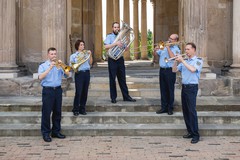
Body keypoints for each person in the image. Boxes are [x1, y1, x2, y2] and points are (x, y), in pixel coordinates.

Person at [38, 47, 70, 142]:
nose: (53, 56)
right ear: (48, 55)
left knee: (57, 112)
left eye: (55, 54)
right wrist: (50, 67)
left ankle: (56, 131)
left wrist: (63, 66)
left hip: (58, 90)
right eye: (52, 54)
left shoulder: (59, 65)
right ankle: (46, 133)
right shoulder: (43, 66)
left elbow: (68, 75)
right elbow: (40, 77)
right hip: (48, 91)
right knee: (46, 112)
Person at [175, 42, 203, 144]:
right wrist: (175, 61)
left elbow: (192, 69)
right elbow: (174, 70)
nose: (186, 51)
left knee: (192, 111)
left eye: (188, 49)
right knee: (185, 111)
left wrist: (182, 60)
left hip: (192, 88)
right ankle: (190, 131)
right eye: (185, 49)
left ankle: (196, 135)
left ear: (193, 50)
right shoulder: (184, 61)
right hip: (184, 87)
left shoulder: (198, 61)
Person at [104, 22, 136, 103]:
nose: (116, 28)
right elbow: (106, 46)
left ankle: (126, 97)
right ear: (112, 28)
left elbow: (125, 48)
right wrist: (115, 43)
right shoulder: (109, 36)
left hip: (120, 59)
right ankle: (113, 98)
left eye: (118, 27)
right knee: (112, 79)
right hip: (112, 59)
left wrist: (126, 48)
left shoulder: (122, 36)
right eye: (115, 27)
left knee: (122, 79)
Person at [154, 34, 180, 115]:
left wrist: (168, 47)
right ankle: (163, 107)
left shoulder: (176, 49)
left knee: (170, 89)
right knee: (163, 89)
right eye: (169, 38)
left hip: (170, 71)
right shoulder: (163, 46)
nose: (169, 40)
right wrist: (155, 50)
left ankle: (170, 108)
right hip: (162, 70)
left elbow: (173, 57)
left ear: (175, 40)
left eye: (171, 39)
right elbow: (156, 54)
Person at [70, 40, 93, 116]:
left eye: (83, 45)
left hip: (86, 73)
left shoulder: (86, 54)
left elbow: (90, 63)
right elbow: (71, 66)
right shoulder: (73, 56)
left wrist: (90, 55)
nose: (83, 46)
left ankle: (82, 109)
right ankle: (75, 109)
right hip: (79, 73)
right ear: (77, 46)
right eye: (81, 45)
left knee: (85, 92)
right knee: (78, 92)